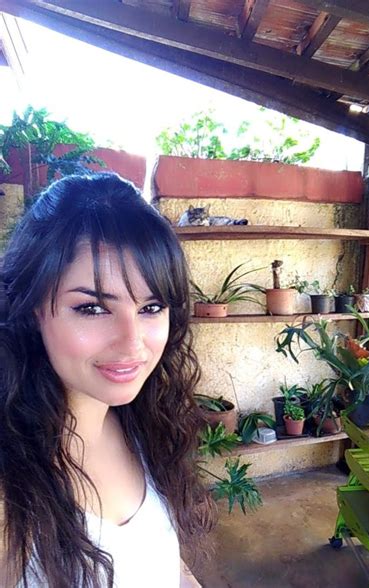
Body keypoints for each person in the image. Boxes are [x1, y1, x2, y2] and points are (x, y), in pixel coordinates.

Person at [0, 173, 215, 587]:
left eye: (151, 307)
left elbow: (165, 566)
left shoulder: (143, 422)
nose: (132, 343)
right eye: (93, 309)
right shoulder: (12, 494)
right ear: (31, 310)